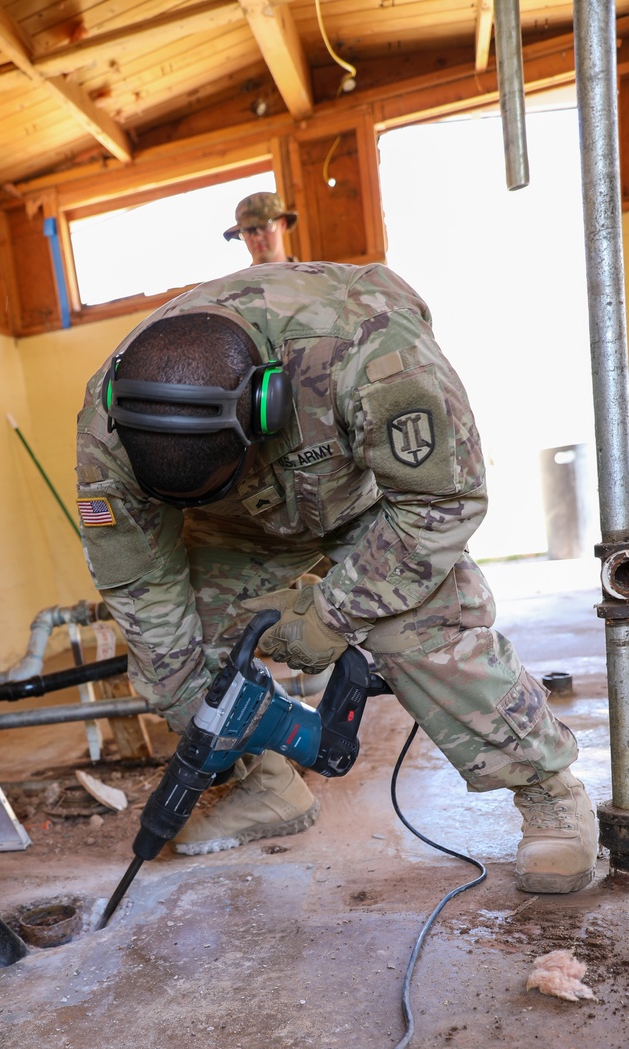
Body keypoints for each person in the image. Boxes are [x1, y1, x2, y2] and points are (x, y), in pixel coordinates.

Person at [76, 261, 598, 890]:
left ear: (264, 405)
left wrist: (332, 614)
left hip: (373, 503)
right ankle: (270, 789)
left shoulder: (369, 346)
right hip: (232, 525)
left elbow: (441, 504)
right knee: (178, 658)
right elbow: (140, 584)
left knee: (421, 628)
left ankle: (549, 793)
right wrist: (187, 692)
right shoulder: (110, 427)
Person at [224, 191, 298, 265]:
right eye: (248, 230)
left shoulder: (307, 275)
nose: (257, 238)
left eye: (264, 226)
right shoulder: (240, 277)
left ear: (282, 224)